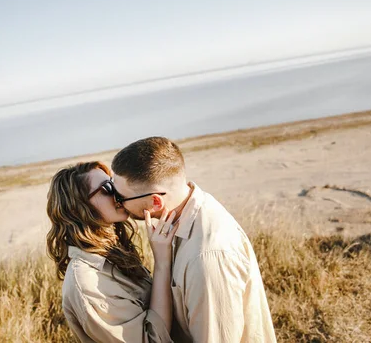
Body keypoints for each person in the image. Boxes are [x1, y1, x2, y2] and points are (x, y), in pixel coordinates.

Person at [111, 137, 276, 343]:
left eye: (120, 197)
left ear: (155, 201)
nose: (117, 203)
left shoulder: (207, 257)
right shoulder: (182, 215)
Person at [46, 161, 178, 342]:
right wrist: (162, 263)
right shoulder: (87, 283)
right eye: (108, 188)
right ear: (79, 207)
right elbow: (151, 340)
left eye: (113, 183)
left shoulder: (111, 253)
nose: (118, 193)